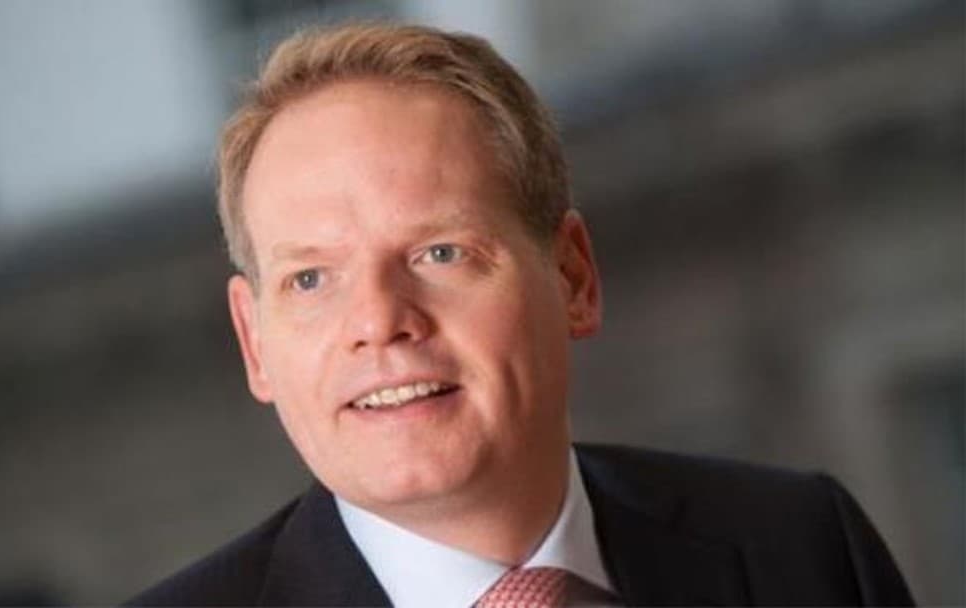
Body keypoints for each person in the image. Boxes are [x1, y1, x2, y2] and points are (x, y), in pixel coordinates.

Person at [129, 23, 914, 607]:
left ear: (572, 277)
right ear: (254, 342)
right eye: (310, 279)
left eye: (440, 253)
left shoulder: (804, 548)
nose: (379, 321)